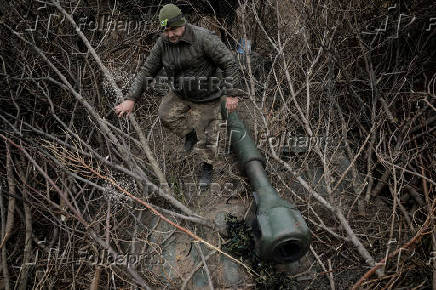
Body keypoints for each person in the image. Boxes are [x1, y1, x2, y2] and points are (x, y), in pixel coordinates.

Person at [114, 3, 244, 187]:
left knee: (208, 140)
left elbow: (229, 63)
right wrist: (131, 98)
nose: (170, 35)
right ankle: (189, 134)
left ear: (183, 23)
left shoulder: (203, 38)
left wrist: (231, 94)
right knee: (165, 115)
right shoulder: (163, 43)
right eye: (166, 31)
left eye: (173, 29)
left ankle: (208, 167)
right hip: (180, 93)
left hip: (207, 96)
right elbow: (147, 70)